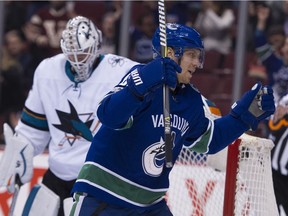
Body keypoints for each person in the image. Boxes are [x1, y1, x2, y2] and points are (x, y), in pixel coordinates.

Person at [69, 23, 275, 216]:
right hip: (103, 197)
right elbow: (109, 115)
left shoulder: (191, 99)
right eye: (191, 55)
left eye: (198, 56)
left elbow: (209, 141)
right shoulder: (141, 77)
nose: (196, 63)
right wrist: (141, 85)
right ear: (169, 54)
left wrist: (242, 118)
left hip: (148, 205)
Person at [0, 16, 139, 216]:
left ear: (96, 45)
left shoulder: (121, 70)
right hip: (56, 177)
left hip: (99, 180)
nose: (78, 60)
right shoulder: (47, 70)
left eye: (83, 53)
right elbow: (33, 129)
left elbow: (151, 90)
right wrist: (22, 149)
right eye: (73, 53)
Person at [268, 93, 288, 216]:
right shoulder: (286, 100)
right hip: (275, 172)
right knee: (271, 211)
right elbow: (274, 124)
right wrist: (281, 114)